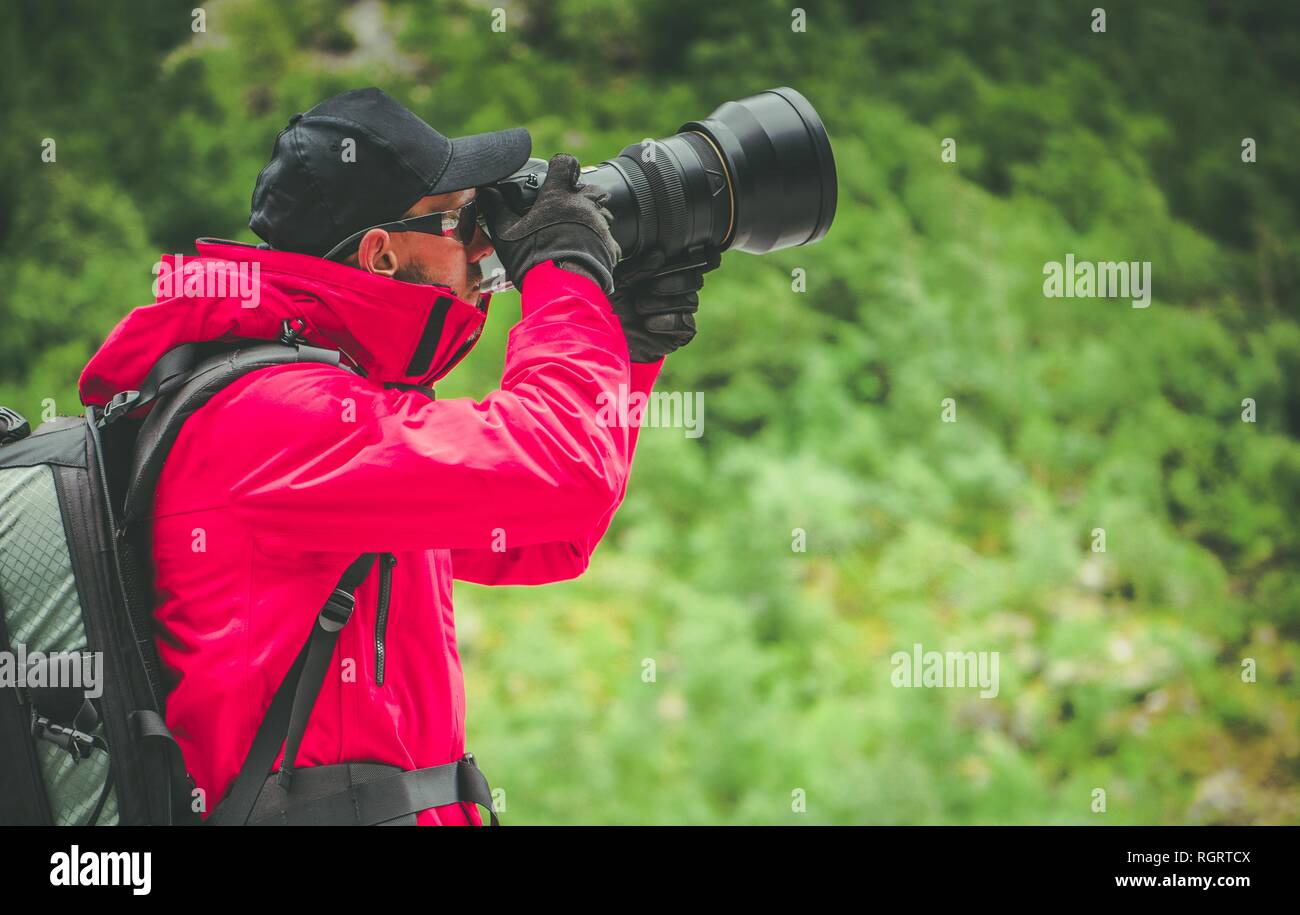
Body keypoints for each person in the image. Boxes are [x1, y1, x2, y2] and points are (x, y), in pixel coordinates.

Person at [77, 87, 714, 825]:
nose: (483, 246)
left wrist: (623, 345)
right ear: (381, 254)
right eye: (463, 221)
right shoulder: (278, 418)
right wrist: (564, 274)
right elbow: (563, 470)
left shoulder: (321, 404)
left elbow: (548, 535)